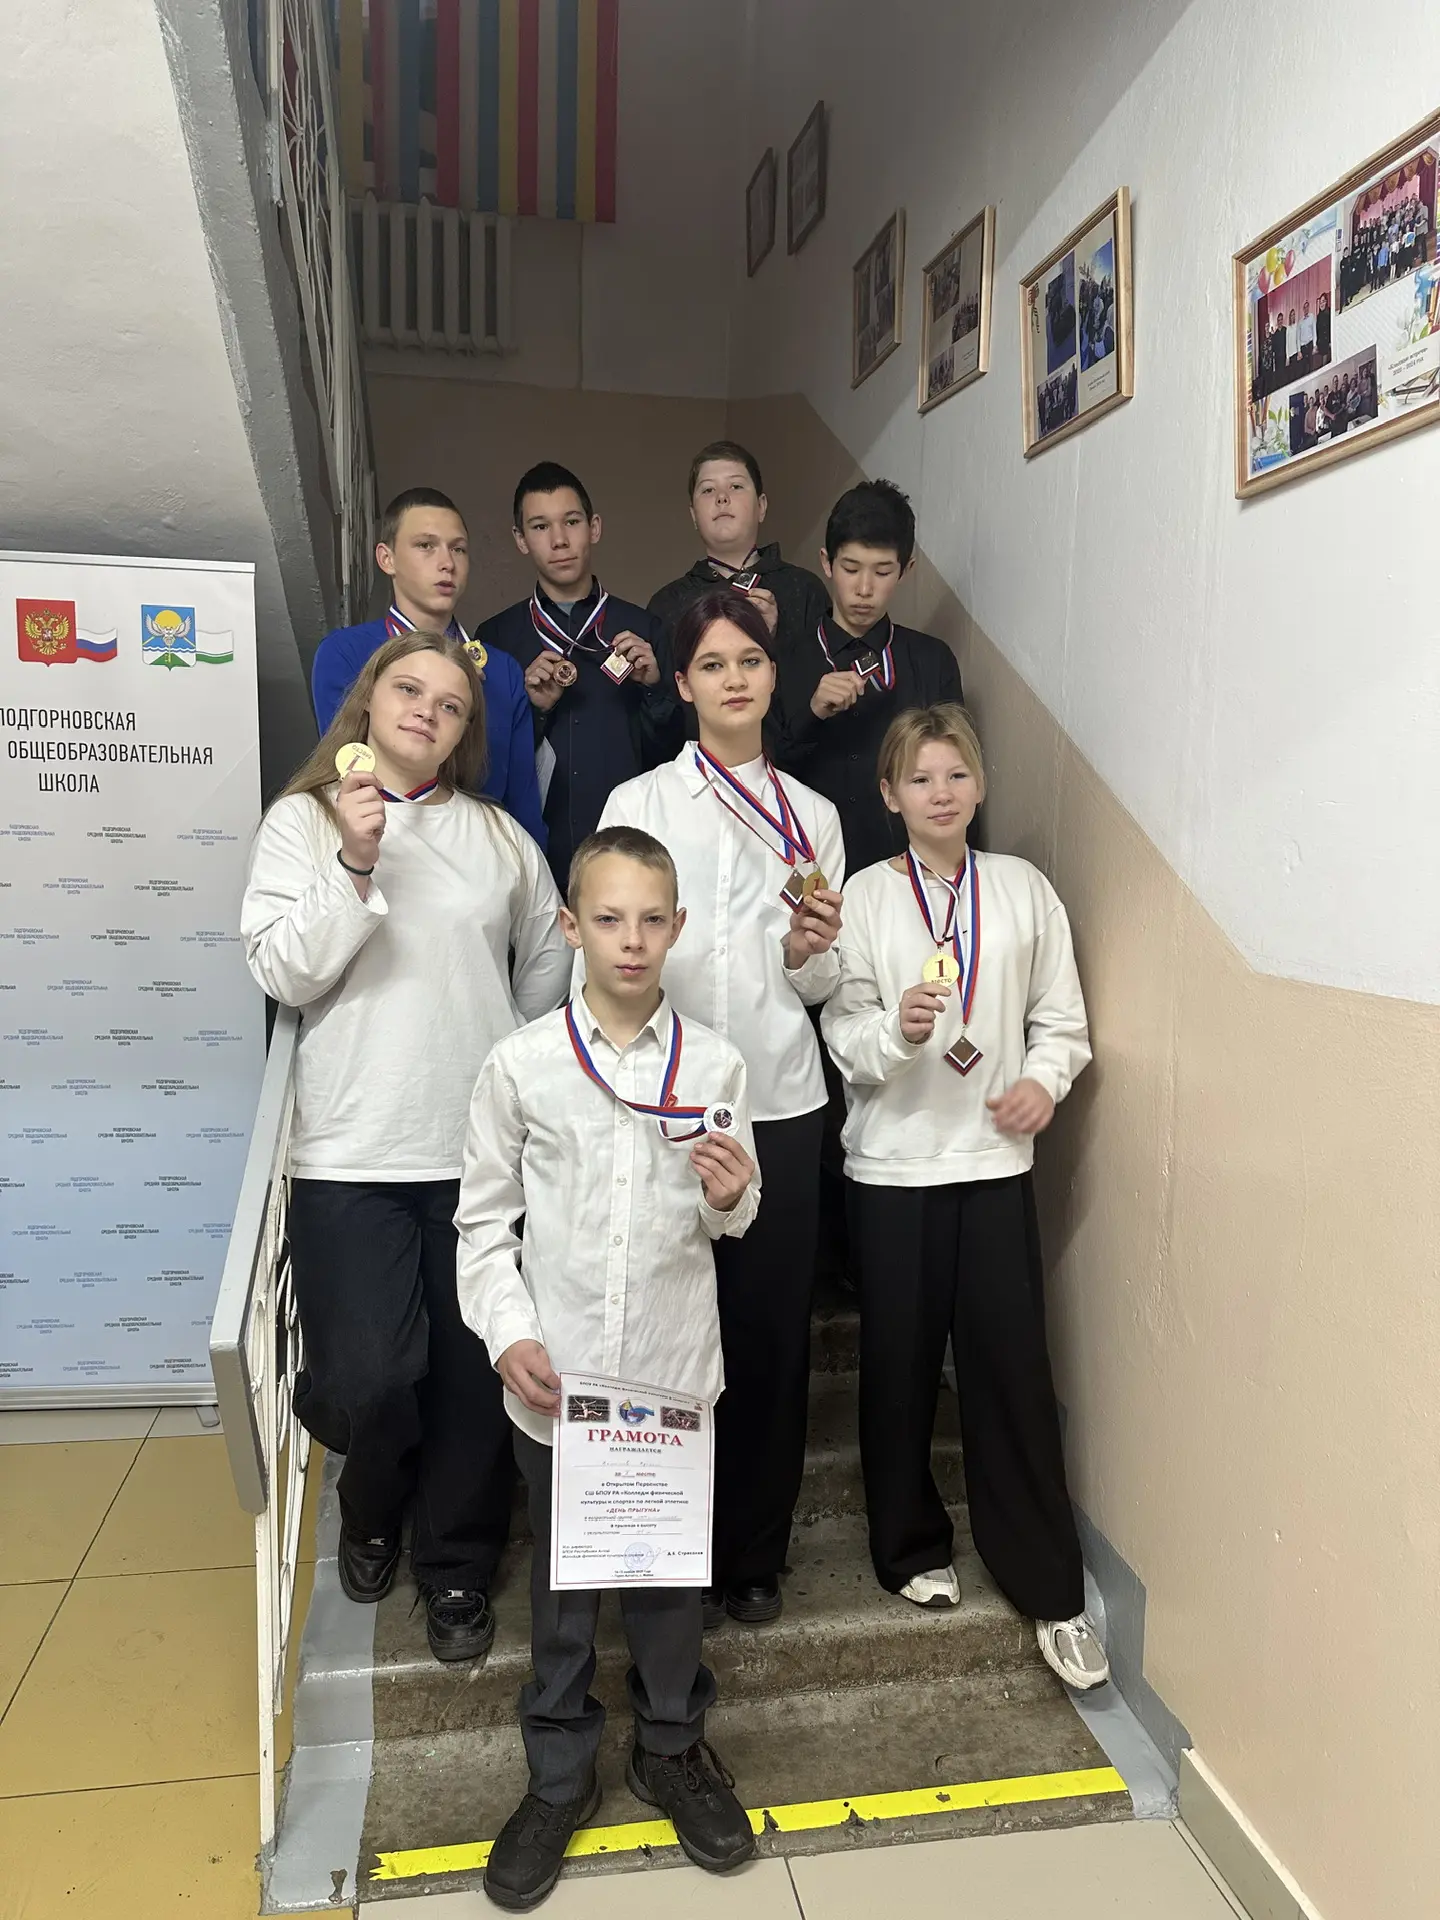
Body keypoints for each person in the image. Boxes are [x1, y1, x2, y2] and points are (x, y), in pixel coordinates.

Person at [242, 631, 572, 1662]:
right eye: (409, 688)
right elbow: (282, 973)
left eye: (452, 703)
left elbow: (544, 971)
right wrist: (354, 860)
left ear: (468, 732)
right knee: (370, 1377)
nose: (428, 709)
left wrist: (502, 1070)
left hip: (474, 1155)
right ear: (368, 700)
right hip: (349, 1154)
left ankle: (457, 1565)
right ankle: (373, 1505)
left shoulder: (500, 838)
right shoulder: (303, 822)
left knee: (474, 1384)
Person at [456, 826, 759, 1909]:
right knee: (564, 1590)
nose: (631, 940)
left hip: (671, 1379)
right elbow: (483, 1224)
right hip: (564, 1382)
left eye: (652, 919)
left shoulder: (715, 1064)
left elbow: (736, 1211)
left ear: (678, 929)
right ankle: (559, 1773)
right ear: (572, 926)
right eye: (609, 918)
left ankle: (670, 1749)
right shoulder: (522, 1065)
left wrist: (731, 1196)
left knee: (671, 1583)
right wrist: (510, 1335)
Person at [820, 703, 1108, 1693]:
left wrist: (1045, 1083)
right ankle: (908, 1546)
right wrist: (896, 1032)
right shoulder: (865, 897)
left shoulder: (1023, 888)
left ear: (979, 786)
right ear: (888, 794)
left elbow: (1062, 1022)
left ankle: (1049, 1585)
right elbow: (843, 1035)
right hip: (893, 1167)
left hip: (993, 1165)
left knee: (1012, 1373)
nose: (939, 794)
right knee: (898, 1371)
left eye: (955, 775)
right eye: (919, 778)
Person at [598, 589, 844, 1626]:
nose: (733, 678)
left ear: (774, 675)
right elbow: (608, 958)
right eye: (712, 663)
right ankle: (665, 1549)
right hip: (663, 1101)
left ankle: (751, 1552)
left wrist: (807, 952)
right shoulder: (639, 802)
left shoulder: (815, 816)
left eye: (750, 659)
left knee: (769, 1336)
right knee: (662, 1331)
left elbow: (823, 983)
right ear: (683, 683)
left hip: (779, 1099)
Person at [478, 463, 680, 890]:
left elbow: (672, 757)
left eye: (571, 522)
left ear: (594, 527)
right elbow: (485, 765)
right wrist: (532, 712)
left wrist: (654, 689)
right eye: (540, 526)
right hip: (530, 852)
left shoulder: (643, 629)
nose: (559, 540)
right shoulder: (496, 638)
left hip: (629, 847)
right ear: (520, 539)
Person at [312, 487, 546, 847]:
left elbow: (523, 807)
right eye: (426, 545)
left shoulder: (503, 671)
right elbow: (345, 774)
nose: (447, 563)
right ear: (387, 559)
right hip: (380, 853)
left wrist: (531, 874)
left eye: (458, 549)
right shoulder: (345, 654)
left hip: (485, 861)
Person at [776, 479, 962, 872]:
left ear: (906, 570)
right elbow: (764, 778)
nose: (864, 588)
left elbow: (957, 777)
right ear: (826, 563)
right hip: (807, 868)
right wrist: (812, 715)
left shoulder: (932, 661)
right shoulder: (783, 661)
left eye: (882, 571)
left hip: (909, 871)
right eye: (850, 568)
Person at [647, 441, 830, 753]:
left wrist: (772, 640)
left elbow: (820, 702)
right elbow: (662, 723)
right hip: (700, 771)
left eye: (735, 486)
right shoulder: (668, 604)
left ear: (761, 506)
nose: (722, 497)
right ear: (693, 515)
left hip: (795, 769)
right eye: (708, 490)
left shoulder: (804, 588)